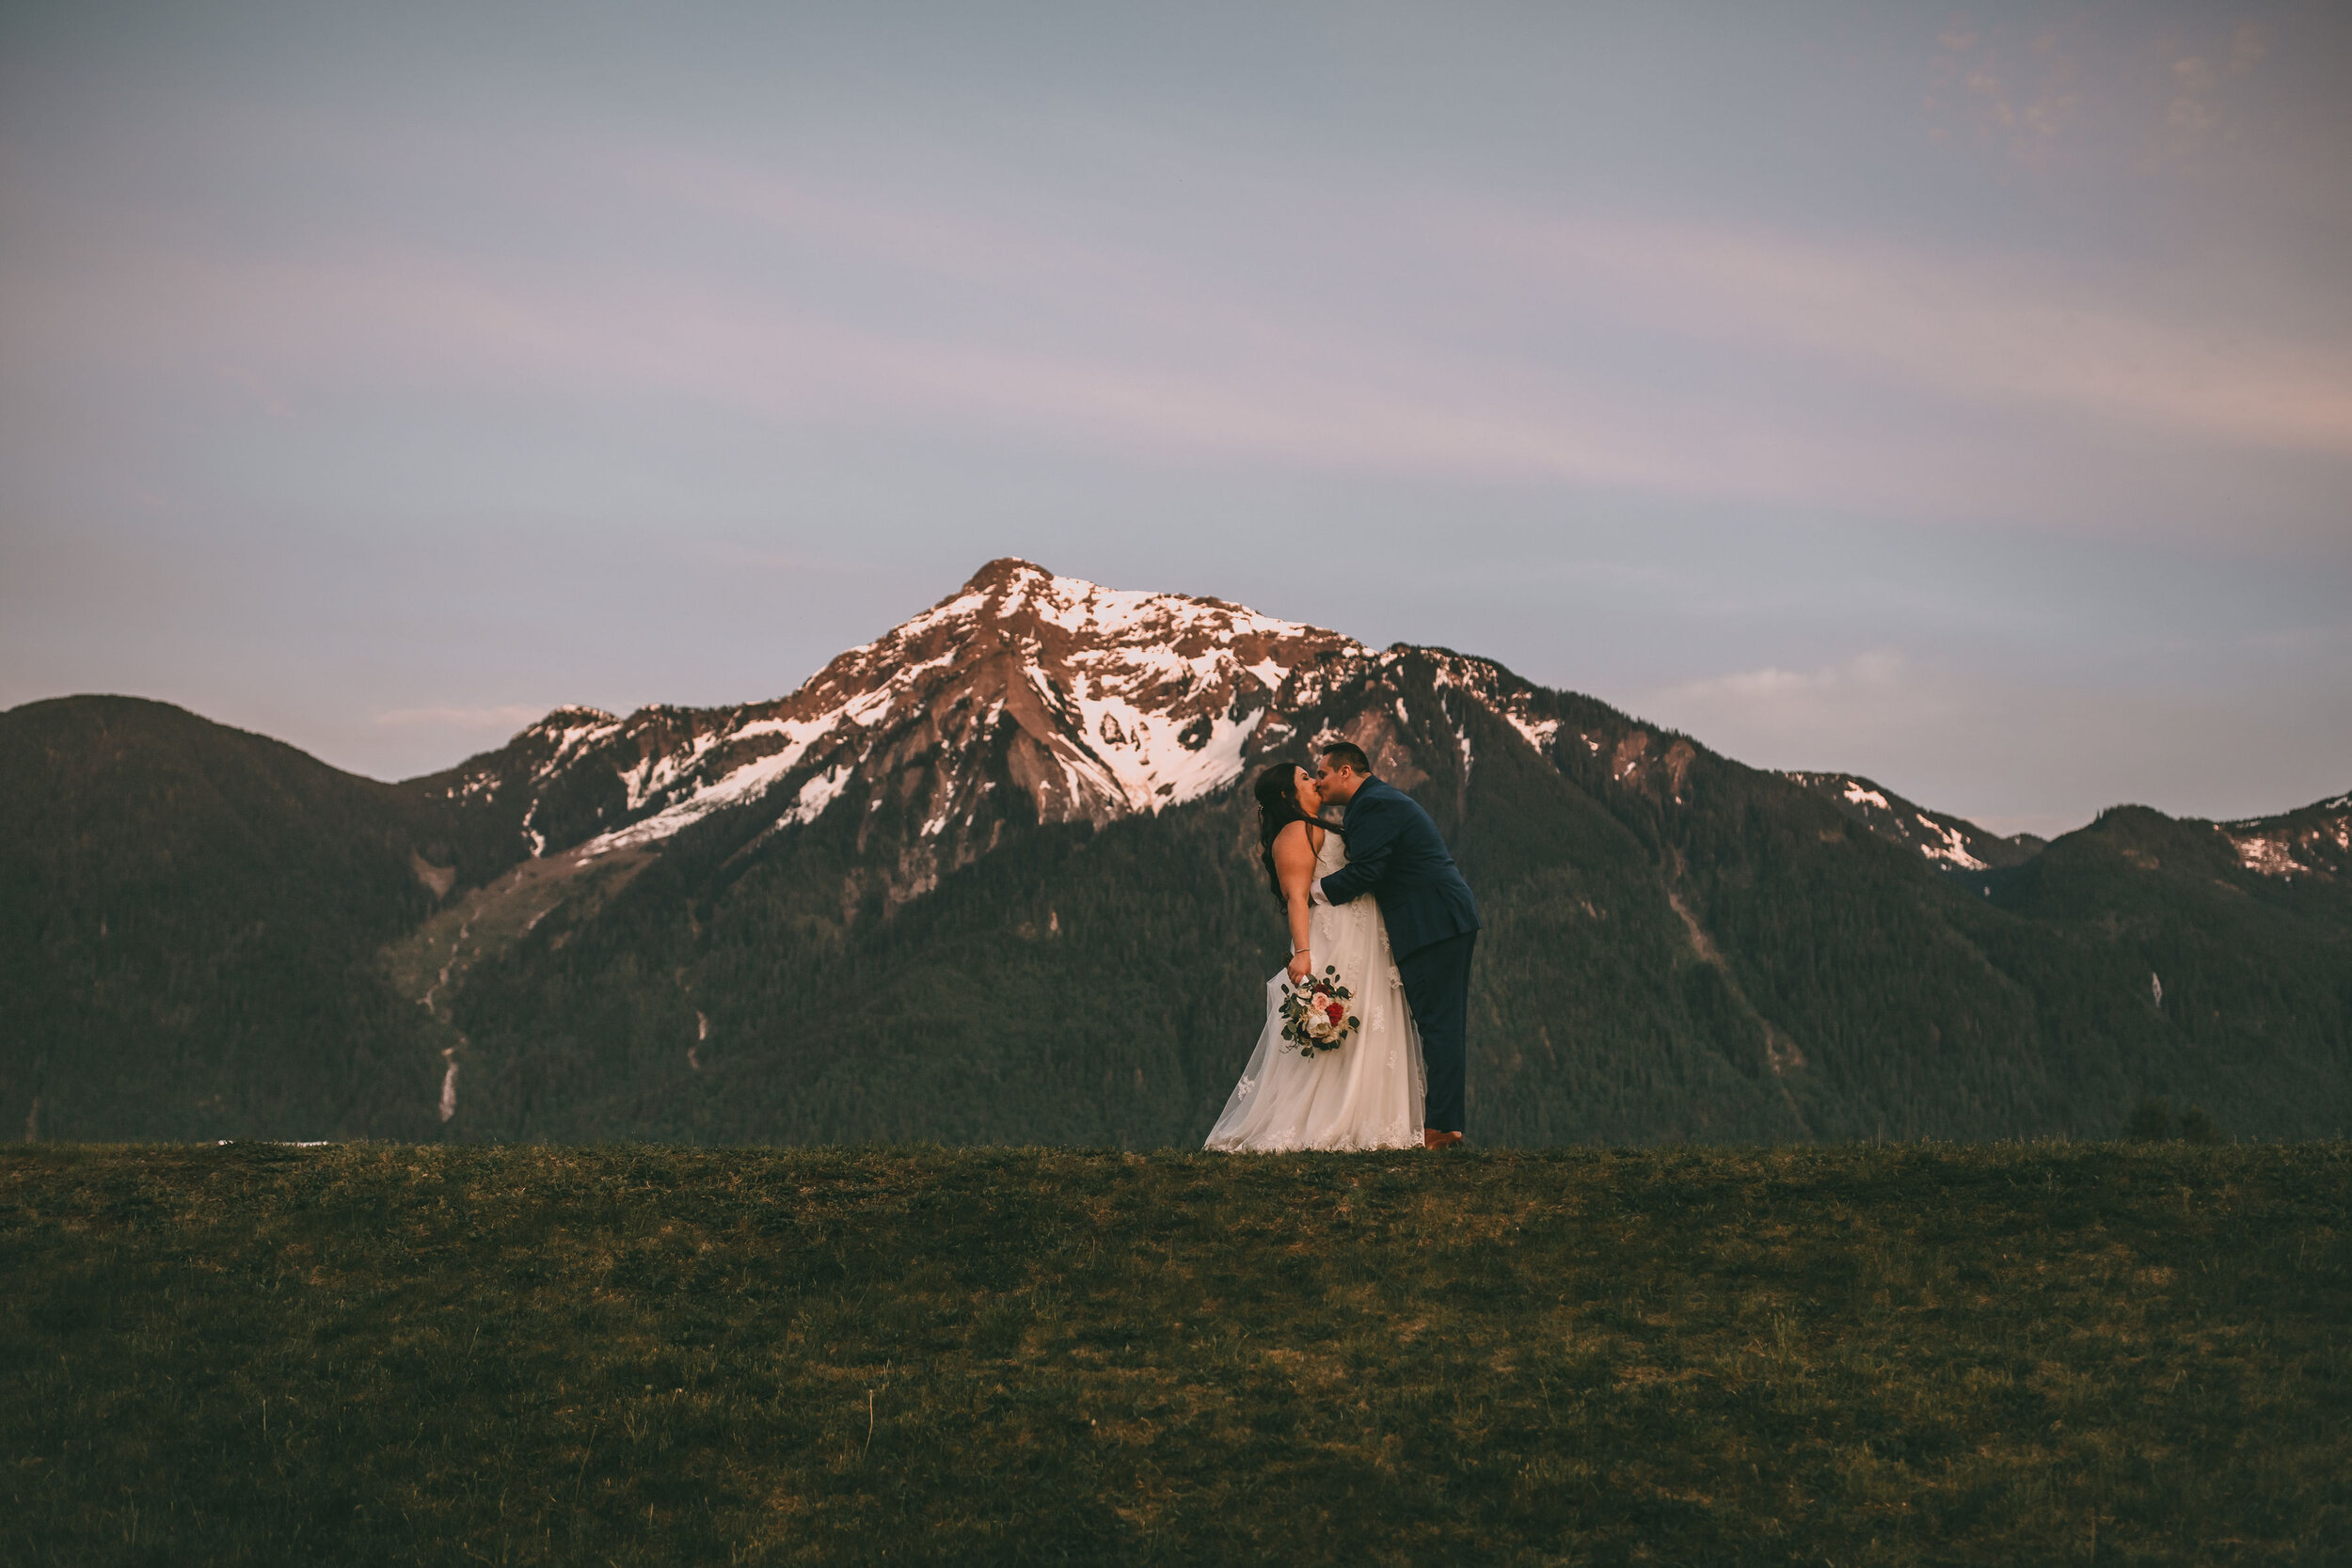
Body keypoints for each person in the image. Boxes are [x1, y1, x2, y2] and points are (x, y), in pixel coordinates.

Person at [1202, 761, 1425, 1151]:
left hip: (1362, 936)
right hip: (1333, 938)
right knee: (1339, 1025)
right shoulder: (1295, 831)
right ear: (1289, 795)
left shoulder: (1317, 827)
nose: (1315, 782)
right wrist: (1303, 954)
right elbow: (1296, 897)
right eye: (1305, 777)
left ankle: (1367, 1118)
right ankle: (1326, 1118)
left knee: (1367, 1022)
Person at [1309, 741, 1480, 1148]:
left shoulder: (1372, 805)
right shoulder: (1378, 800)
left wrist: (1310, 892)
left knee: (1440, 1024)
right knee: (1442, 1023)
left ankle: (1442, 1129)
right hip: (1441, 919)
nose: (1318, 782)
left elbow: (1368, 870)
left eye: (1323, 774)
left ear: (1346, 771)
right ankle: (1445, 1124)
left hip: (1433, 921)